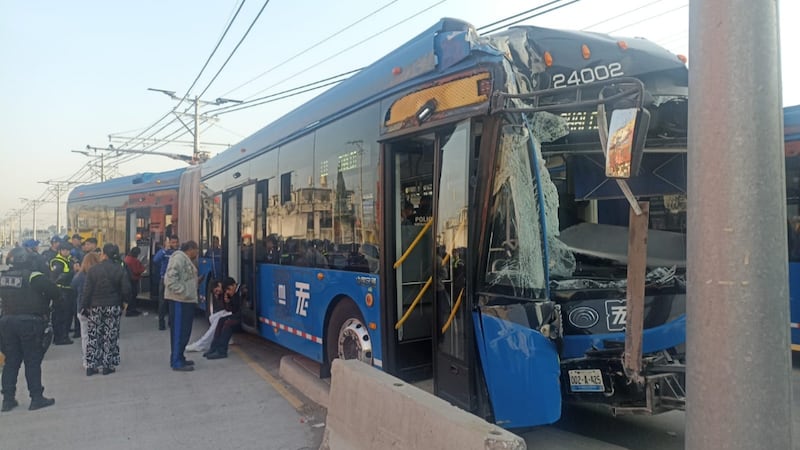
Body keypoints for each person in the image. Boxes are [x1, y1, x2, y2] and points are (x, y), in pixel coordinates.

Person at [0, 248, 60, 411]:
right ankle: (36, 398)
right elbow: (55, 292)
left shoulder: (3, 277)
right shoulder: (34, 276)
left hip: (7, 322)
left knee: (11, 361)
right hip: (29, 322)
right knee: (32, 361)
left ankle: (8, 400)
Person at [81, 243, 131, 376]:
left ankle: (91, 366)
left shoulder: (93, 270)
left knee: (94, 336)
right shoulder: (120, 269)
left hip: (95, 306)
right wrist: (125, 302)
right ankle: (107, 366)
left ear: (104, 254)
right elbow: (126, 289)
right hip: (113, 305)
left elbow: (87, 290)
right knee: (110, 335)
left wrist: (84, 306)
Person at [164, 240, 200, 372]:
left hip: (186, 301)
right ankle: (176, 361)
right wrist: (183, 291)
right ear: (190, 249)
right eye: (196, 250)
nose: (197, 253)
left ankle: (179, 356)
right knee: (179, 332)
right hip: (179, 301)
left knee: (185, 332)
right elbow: (170, 279)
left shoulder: (186, 260)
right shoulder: (178, 258)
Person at [70, 252, 102, 370]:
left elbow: (73, 287)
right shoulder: (100, 274)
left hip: (82, 309)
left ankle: (87, 361)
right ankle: (98, 359)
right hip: (97, 307)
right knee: (98, 335)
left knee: (85, 336)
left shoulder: (79, 276)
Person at [185, 279, 230, 353]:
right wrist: (219, 297)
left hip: (233, 312)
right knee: (212, 318)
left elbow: (230, 306)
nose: (217, 292)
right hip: (229, 311)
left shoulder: (227, 289)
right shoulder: (222, 291)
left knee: (218, 320)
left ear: (219, 284)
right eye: (215, 292)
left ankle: (202, 344)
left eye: (217, 290)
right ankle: (217, 337)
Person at [204, 277, 242, 360]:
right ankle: (214, 347)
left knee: (228, 323)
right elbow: (232, 310)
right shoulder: (231, 294)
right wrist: (228, 302)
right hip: (237, 315)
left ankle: (222, 351)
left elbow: (240, 309)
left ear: (234, 285)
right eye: (226, 290)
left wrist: (232, 299)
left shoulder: (241, 291)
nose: (228, 291)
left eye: (229, 289)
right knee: (221, 320)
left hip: (243, 318)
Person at [49, 242, 76, 345]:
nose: (66, 252)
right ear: (60, 251)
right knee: (61, 315)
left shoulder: (68, 260)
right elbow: (57, 278)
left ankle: (63, 335)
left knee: (67, 315)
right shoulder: (57, 262)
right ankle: (60, 337)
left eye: (68, 250)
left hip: (68, 290)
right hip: (61, 291)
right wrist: (72, 272)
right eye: (64, 250)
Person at [152, 235, 179, 330]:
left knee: (172, 302)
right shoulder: (164, 252)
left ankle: (171, 322)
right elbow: (155, 260)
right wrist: (164, 250)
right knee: (162, 303)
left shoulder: (179, 252)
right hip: (164, 279)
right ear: (169, 243)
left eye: (176, 242)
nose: (175, 244)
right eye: (173, 242)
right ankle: (161, 323)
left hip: (174, 280)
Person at [123, 247, 146, 317]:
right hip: (134, 279)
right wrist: (143, 268)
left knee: (130, 295)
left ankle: (129, 309)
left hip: (127, 279)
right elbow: (137, 271)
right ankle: (132, 310)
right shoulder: (135, 260)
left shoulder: (126, 258)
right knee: (133, 295)